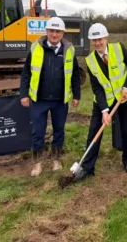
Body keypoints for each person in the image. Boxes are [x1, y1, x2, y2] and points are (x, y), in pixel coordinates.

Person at [71, 23, 127, 184]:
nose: (97, 43)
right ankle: (87, 168)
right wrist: (104, 111)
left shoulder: (119, 49)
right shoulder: (90, 60)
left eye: (99, 39)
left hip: (124, 98)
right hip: (103, 102)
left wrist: (126, 87)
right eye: (93, 40)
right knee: (94, 133)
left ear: (106, 38)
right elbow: (96, 88)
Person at [20, 16, 81, 176]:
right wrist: (24, 94)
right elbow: (26, 73)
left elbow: (75, 74)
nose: (54, 34)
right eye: (52, 31)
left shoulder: (69, 50)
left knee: (59, 130)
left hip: (60, 100)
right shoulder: (36, 48)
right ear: (47, 32)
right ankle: (38, 163)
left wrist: (77, 95)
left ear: (62, 33)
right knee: (38, 132)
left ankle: (56, 159)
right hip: (39, 100)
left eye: (58, 31)